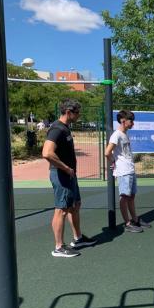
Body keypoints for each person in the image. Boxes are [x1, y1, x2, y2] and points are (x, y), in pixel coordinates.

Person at [42, 99, 97, 257]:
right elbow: (47, 153)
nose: (79, 116)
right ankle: (59, 247)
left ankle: (78, 238)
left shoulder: (64, 128)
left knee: (75, 205)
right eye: (77, 113)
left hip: (69, 174)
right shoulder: (57, 129)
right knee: (62, 210)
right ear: (68, 112)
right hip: (61, 175)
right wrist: (65, 168)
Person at [105, 110, 151, 233]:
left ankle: (135, 219)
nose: (133, 123)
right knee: (124, 197)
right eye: (131, 121)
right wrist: (113, 163)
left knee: (132, 196)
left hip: (130, 169)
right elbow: (107, 152)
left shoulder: (125, 134)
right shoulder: (117, 134)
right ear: (123, 121)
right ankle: (127, 223)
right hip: (124, 170)